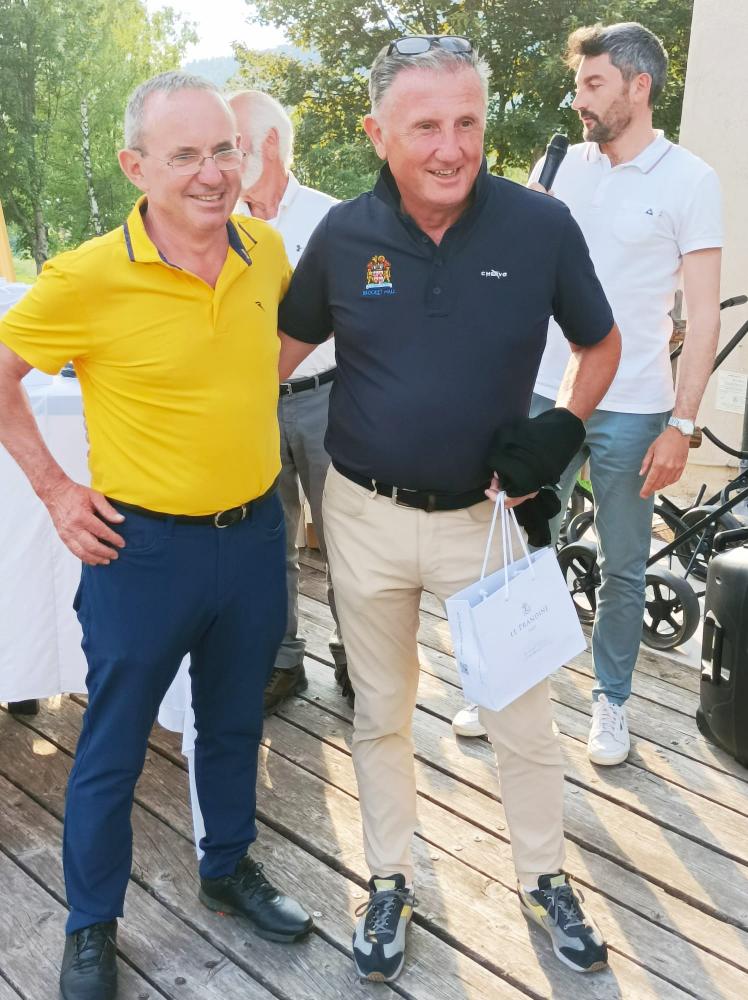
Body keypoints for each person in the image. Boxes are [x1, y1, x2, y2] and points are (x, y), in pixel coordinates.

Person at [277, 36, 622, 982]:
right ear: (377, 133)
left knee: (521, 717)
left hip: (492, 521)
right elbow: (271, 356)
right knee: (382, 712)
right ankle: (389, 877)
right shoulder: (342, 235)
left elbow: (600, 345)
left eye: (467, 121)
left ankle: (544, 877)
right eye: (425, 125)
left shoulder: (540, 225)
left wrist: (562, 428)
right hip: (363, 516)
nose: (452, 147)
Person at [0, 71, 312, 1000]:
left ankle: (228, 868)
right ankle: (91, 924)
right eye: (185, 156)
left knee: (234, 720)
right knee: (114, 744)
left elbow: (269, 357)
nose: (212, 173)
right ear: (135, 166)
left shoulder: (265, 249)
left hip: (252, 538)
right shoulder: (86, 275)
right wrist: (56, 490)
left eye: (225, 150)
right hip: (141, 553)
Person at [525, 22, 721, 766]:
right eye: (579, 84)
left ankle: (610, 700)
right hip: (547, 396)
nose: (578, 99)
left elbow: (704, 317)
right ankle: (513, 687)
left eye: (593, 83)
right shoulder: (560, 168)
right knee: (525, 548)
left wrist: (683, 423)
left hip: (636, 404)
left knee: (624, 564)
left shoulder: (690, 180)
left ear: (639, 87)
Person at [229, 89, 348, 712]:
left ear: (270, 144)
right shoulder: (219, 223)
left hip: (327, 401)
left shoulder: (334, 218)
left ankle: (356, 660)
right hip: (250, 404)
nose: (223, 160)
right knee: (267, 540)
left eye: (234, 144)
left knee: (347, 539)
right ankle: (282, 662)